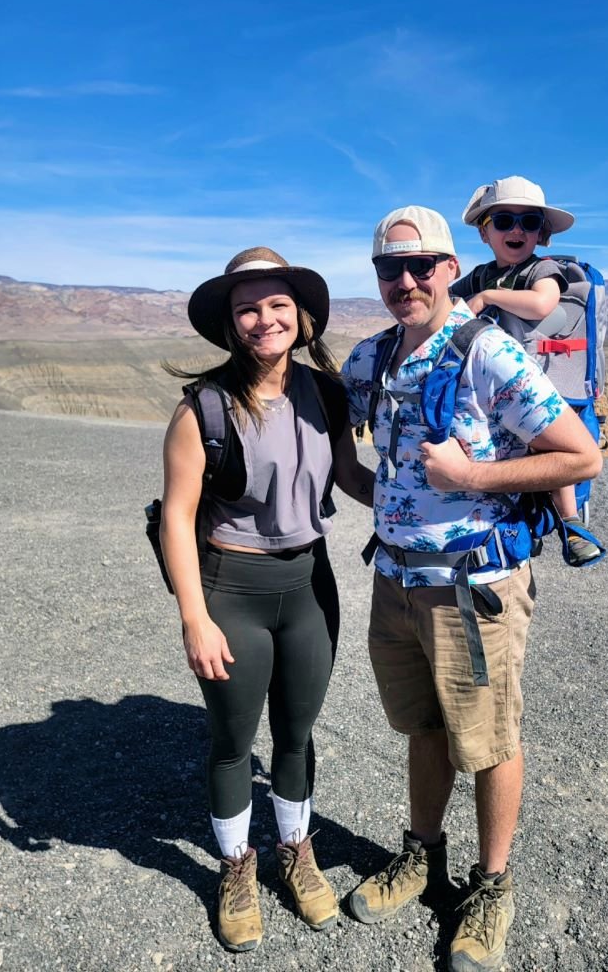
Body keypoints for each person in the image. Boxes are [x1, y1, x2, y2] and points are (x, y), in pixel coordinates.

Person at [341, 208, 602, 970]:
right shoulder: (372, 357)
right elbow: (330, 422)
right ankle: (421, 855)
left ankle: (491, 886)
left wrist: (474, 477)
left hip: (474, 585)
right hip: (395, 580)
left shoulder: (489, 354)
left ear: (452, 269)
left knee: (488, 742)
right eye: (391, 268)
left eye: (422, 265)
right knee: (424, 726)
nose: (407, 281)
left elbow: (580, 457)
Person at [159, 247, 373, 952]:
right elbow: (177, 520)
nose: (264, 318)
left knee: (298, 734)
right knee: (231, 740)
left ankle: (296, 853)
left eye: (277, 304)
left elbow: (347, 474)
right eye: (248, 307)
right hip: (234, 590)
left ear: (301, 315)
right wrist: (195, 617)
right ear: (230, 323)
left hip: (310, 586)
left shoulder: (326, 393)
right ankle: (235, 867)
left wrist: (424, 500)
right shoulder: (204, 411)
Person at [451, 175, 601, 565]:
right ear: (485, 233)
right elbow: (449, 301)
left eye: (528, 222)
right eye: (503, 221)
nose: (516, 230)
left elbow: (541, 305)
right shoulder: (482, 273)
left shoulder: (542, 270)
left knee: (553, 450)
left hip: (542, 386)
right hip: (497, 388)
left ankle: (571, 525)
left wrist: (484, 298)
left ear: (542, 234)